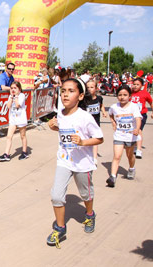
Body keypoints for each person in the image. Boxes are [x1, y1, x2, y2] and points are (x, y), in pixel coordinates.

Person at [47, 78, 103, 248]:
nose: (65, 94)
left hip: (82, 163)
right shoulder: (60, 114)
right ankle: (60, 227)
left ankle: (89, 214)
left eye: (71, 91)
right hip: (64, 161)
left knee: (86, 194)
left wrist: (83, 142)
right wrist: (53, 127)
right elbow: (63, 130)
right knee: (56, 195)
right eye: (63, 90)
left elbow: (99, 138)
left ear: (80, 96)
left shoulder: (85, 117)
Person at [107, 85, 141, 187]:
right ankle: (112, 177)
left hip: (130, 136)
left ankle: (131, 168)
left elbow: (138, 118)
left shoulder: (133, 107)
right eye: (120, 95)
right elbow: (111, 114)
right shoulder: (114, 107)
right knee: (117, 156)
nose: (122, 97)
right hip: (119, 135)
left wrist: (137, 129)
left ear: (129, 96)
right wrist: (113, 122)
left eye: (125, 95)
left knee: (129, 156)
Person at [0, 81, 29, 161]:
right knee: (9, 136)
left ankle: (24, 152)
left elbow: (18, 105)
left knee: (23, 136)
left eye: (15, 88)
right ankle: (6, 154)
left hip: (21, 119)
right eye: (11, 88)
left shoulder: (21, 96)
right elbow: (8, 106)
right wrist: (11, 97)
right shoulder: (11, 96)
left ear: (19, 89)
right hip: (13, 119)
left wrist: (16, 97)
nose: (13, 90)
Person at [86, 80, 107, 165]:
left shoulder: (99, 98)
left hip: (96, 123)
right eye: (88, 87)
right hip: (86, 123)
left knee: (95, 140)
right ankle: (87, 156)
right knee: (87, 139)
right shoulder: (84, 99)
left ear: (96, 88)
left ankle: (94, 158)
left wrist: (104, 111)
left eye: (92, 87)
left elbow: (101, 105)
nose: (90, 89)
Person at [130, 78, 153, 159]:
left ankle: (139, 150)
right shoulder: (130, 93)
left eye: (137, 84)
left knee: (139, 130)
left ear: (142, 85)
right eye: (134, 84)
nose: (135, 86)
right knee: (133, 131)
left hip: (141, 115)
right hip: (131, 115)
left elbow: (151, 102)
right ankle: (135, 146)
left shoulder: (145, 93)